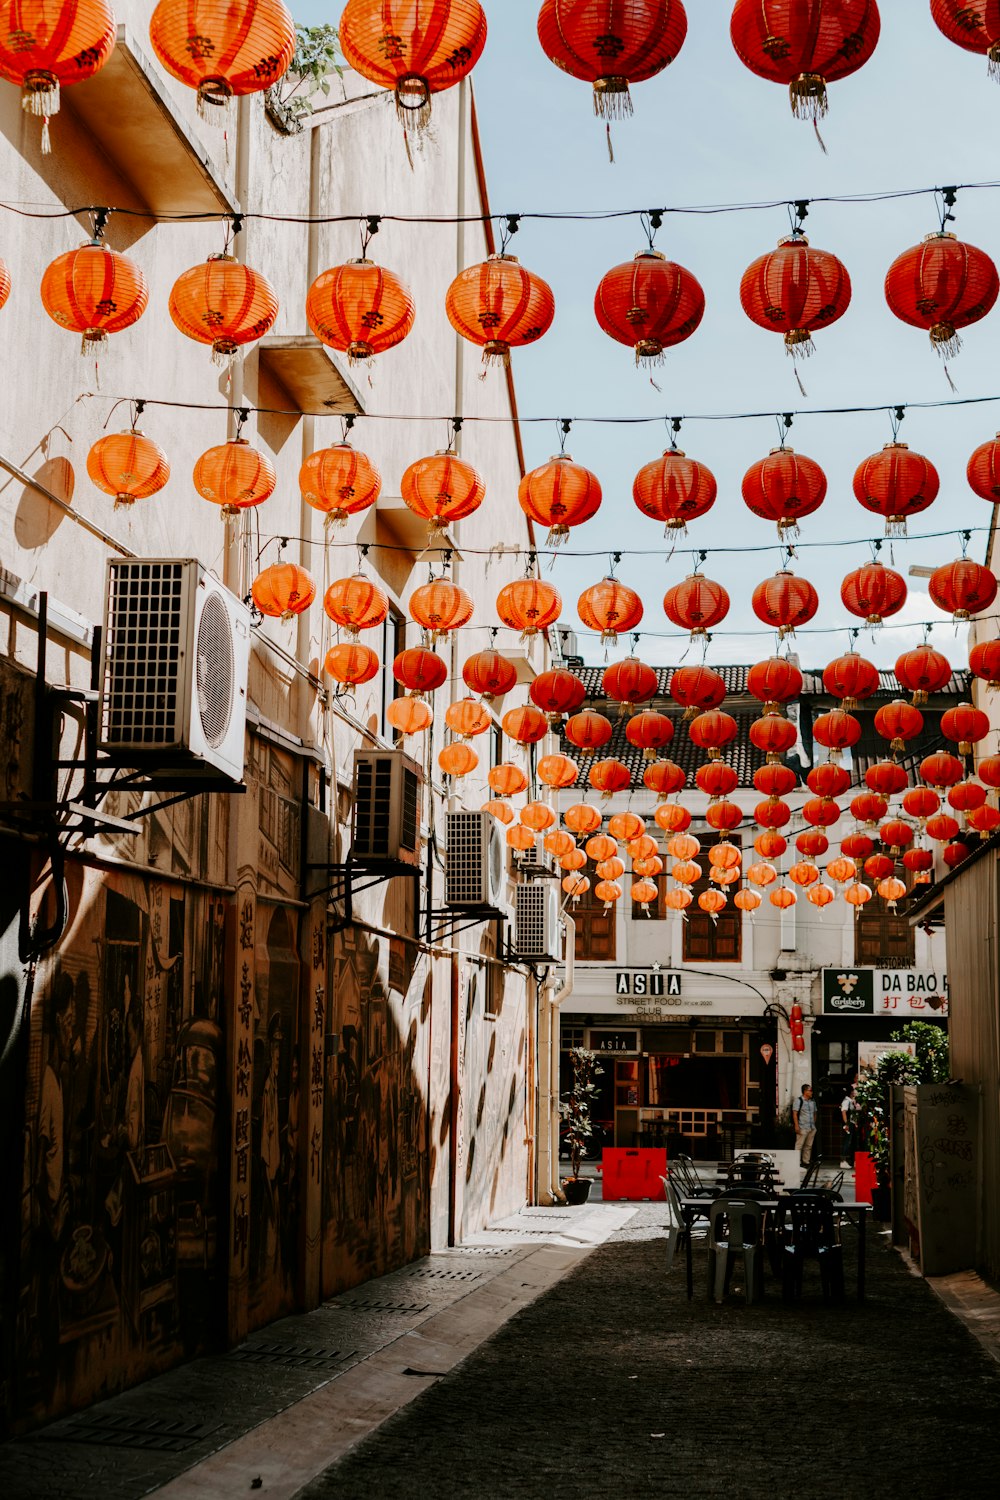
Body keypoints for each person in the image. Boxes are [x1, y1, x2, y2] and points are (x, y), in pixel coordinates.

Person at [793, 1083, 817, 1168]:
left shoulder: (812, 1101)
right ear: (805, 1091)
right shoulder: (799, 1100)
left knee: (808, 1146)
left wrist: (814, 1123)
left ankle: (806, 1161)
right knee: (799, 1145)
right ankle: (797, 1162)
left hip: (811, 1127)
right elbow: (795, 1114)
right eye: (810, 1090)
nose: (812, 1092)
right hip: (802, 1126)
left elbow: (815, 1113)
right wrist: (796, 1126)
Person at [841, 1082, 859, 1168]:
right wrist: (846, 1123)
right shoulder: (846, 1101)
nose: (854, 1092)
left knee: (852, 1142)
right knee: (847, 1142)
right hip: (849, 1123)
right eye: (853, 1090)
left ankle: (853, 1160)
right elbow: (844, 1112)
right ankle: (843, 1160)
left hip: (852, 1123)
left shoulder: (851, 1101)